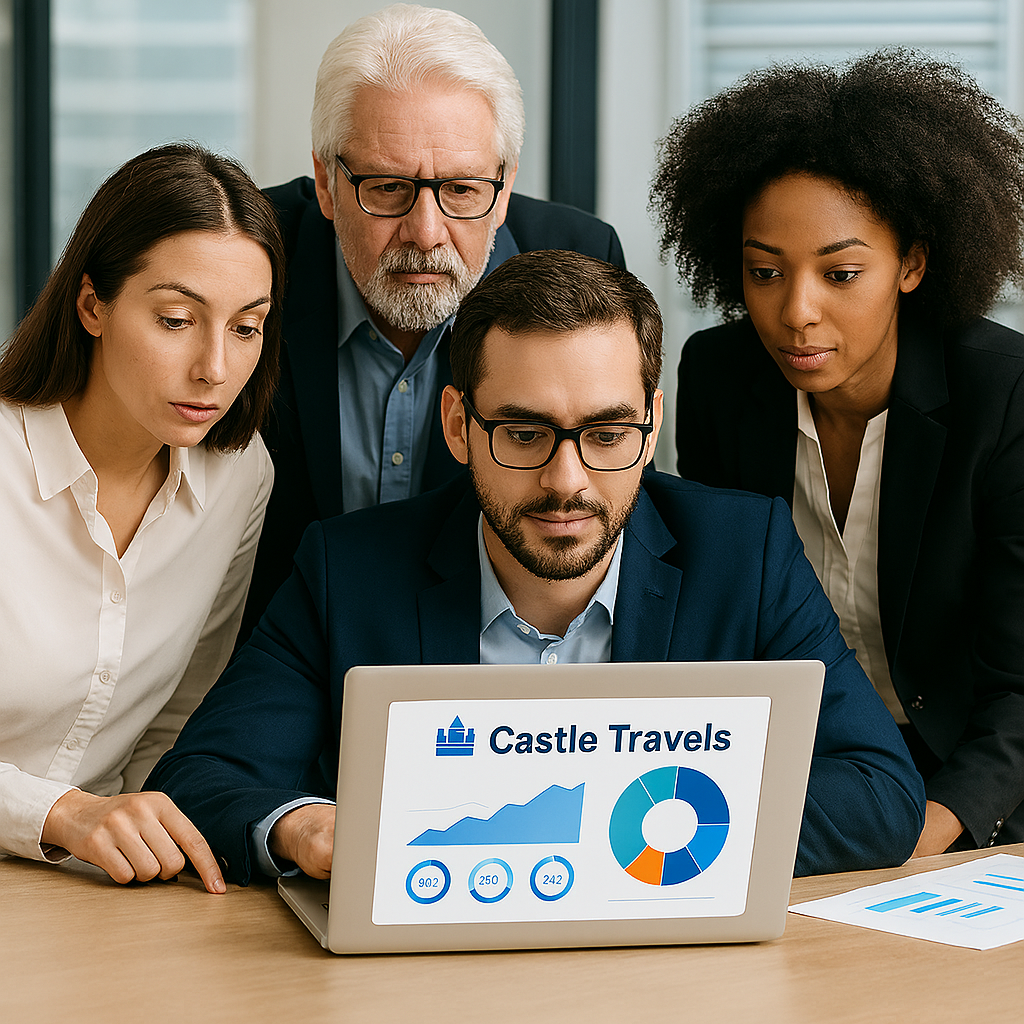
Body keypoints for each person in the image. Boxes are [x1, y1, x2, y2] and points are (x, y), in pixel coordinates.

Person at [149, 250, 924, 885]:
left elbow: (880, 794)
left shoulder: (745, 550)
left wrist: (632, 840)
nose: (567, 481)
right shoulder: (347, 568)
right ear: (458, 425)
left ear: (651, 426)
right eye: (523, 434)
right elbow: (202, 779)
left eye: (608, 433)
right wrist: (305, 826)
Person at [652, 49, 1024, 856]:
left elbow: (1021, 686)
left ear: (913, 265)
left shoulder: (1004, 395)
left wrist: (935, 826)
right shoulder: (719, 378)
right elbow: (724, 619)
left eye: (842, 273)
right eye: (764, 272)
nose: (796, 313)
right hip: (808, 778)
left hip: (975, 791)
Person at [243, 3, 626, 636]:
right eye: (389, 188)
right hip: (277, 657)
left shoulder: (578, 262)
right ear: (327, 180)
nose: (426, 234)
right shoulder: (250, 256)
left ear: (503, 191)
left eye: (463, 191)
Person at [0, 143, 284, 892]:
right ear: (92, 304)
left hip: (83, 895)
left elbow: (180, 717)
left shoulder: (238, 475)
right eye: (175, 319)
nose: (214, 368)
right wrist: (60, 814)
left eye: (247, 327)